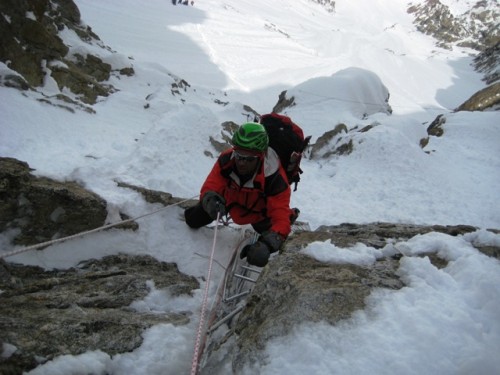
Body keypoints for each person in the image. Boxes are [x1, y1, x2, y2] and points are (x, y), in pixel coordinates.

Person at [184, 122, 298, 267]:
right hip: (228, 203)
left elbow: (279, 219)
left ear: (261, 156)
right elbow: (211, 185)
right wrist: (209, 200)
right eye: (239, 155)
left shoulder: (275, 179)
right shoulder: (227, 160)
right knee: (192, 219)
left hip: (259, 214)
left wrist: (267, 245)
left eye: (249, 159)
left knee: (271, 241)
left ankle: (290, 216)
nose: (242, 163)